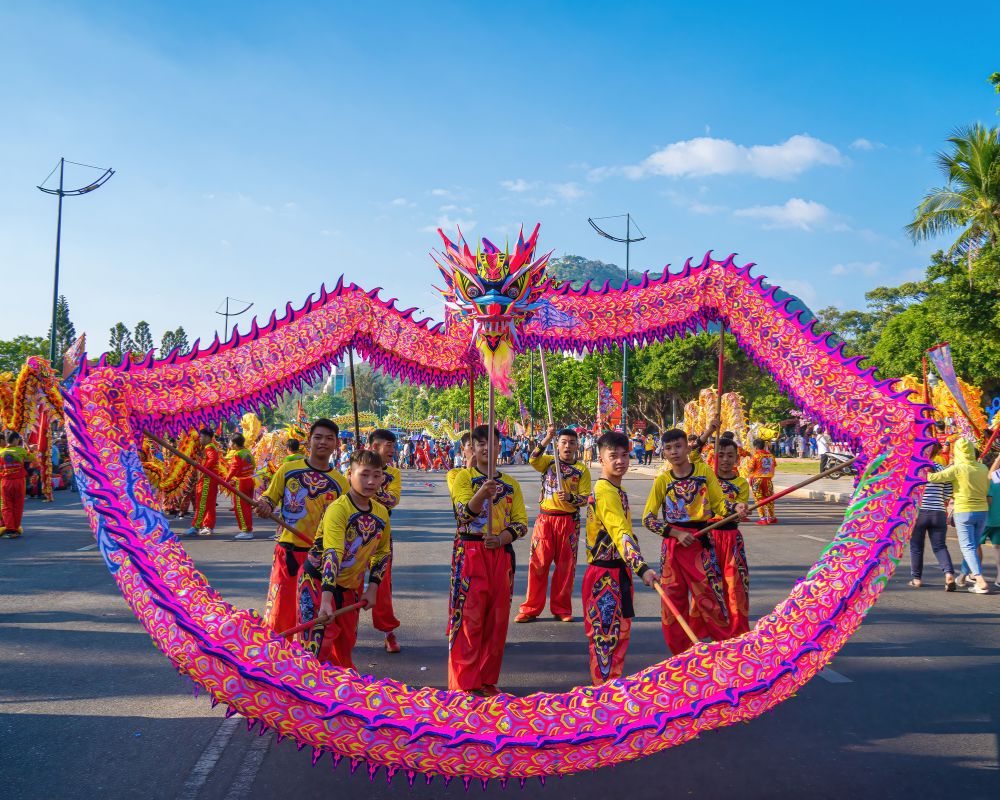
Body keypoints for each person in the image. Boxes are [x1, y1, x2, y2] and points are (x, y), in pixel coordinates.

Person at [642, 428, 746, 655]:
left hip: (701, 543)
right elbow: (647, 520)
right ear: (664, 453)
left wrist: (735, 508)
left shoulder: (704, 471)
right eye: (668, 448)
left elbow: (719, 505)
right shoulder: (663, 481)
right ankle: (680, 654)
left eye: (678, 446)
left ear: (688, 448)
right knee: (672, 602)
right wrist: (675, 534)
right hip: (673, 547)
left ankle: (724, 651)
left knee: (710, 598)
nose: (674, 452)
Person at [448, 425, 527, 695]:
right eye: (480, 443)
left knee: (497, 620)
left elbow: (520, 523)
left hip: (499, 556)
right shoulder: (463, 478)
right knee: (469, 619)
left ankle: (486, 680)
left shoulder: (511, 484)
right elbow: (462, 515)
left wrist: (503, 538)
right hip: (469, 553)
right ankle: (464, 683)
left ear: (499, 446)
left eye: (491, 443)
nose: (485, 448)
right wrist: (482, 493)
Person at [297, 449, 391, 669]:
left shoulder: (381, 512)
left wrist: (373, 589)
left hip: (350, 587)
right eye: (364, 474)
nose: (371, 481)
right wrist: (326, 601)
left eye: (376, 475)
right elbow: (333, 553)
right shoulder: (338, 509)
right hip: (319, 584)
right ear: (350, 474)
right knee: (316, 650)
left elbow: (382, 552)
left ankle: (340, 697)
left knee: (345, 645)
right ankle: (312, 698)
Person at [256, 419, 348, 635]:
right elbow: (270, 497)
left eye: (329, 438)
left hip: (318, 558)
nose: (323, 442)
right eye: (318, 437)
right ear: (309, 441)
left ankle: (304, 665)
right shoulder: (288, 470)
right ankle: (275, 661)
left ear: (336, 443)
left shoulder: (341, 484)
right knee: (278, 614)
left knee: (310, 618)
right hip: (287, 553)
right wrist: (264, 506)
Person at [583, 431, 658, 684]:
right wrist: (642, 568)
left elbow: (626, 533)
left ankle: (610, 696)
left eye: (624, 455)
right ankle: (603, 701)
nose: (620, 461)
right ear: (600, 458)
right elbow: (620, 532)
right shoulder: (605, 491)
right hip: (604, 576)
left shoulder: (618, 490)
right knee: (605, 641)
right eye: (613, 456)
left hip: (618, 573)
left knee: (618, 637)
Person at [516, 425, 591, 623]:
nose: (567, 446)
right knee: (538, 564)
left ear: (578, 446)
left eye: (572, 443)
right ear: (557, 445)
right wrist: (547, 438)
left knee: (566, 568)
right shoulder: (548, 463)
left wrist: (570, 497)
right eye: (564, 442)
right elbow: (532, 459)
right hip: (545, 520)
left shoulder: (581, 470)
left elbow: (585, 499)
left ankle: (562, 608)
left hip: (569, 523)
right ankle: (530, 608)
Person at [700, 437, 751, 638]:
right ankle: (709, 633)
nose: (725, 460)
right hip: (708, 538)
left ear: (737, 459)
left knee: (735, 587)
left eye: (730, 456)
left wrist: (741, 510)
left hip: (731, 540)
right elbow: (693, 457)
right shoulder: (706, 478)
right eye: (720, 455)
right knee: (708, 587)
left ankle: (737, 633)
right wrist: (709, 431)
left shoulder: (741, 484)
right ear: (714, 456)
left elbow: (739, 507)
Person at [926, 438, 990, 594]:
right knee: (973, 546)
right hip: (982, 511)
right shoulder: (983, 468)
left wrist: (922, 467)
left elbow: (933, 478)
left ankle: (979, 579)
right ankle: (962, 576)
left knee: (967, 547)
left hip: (964, 511)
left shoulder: (957, 468)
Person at [366, 428, 403, 653]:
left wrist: (368, 484)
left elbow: (392, 500)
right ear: (373, 446)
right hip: (352, 535)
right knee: (345, 583)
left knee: (382, 584)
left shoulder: (394, 474)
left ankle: (388, 632)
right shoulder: (352, 468)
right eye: (387, 444)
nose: (392, 449)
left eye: (392, 445)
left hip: (381, 534)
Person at [909, 442, 956, 589]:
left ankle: (917, 579)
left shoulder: (914, 469)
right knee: (940, 546)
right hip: (938, 513)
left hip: (919, 513)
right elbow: (948, 492)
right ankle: (948, 574)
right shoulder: (942, 469)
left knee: (916, 547)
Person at [187, 427, 222, 537]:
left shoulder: (209, 448)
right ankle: (208, 526)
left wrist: (203, 470)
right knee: (209, 504)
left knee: (202, 504)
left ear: (207, 437)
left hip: (207, 480)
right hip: (209, 479)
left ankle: (196, 526)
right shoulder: (209, 447)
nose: (200, 439)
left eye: (201, 437)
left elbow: (212, 460)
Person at [0, 432, 33, 538]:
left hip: (6, 482)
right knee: (18, 505)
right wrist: (27, 444)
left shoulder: (2, 452)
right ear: (15, 440)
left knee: (7, 506)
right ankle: (15, 529)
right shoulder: (21, 450)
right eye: (18, 439)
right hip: (19, 482)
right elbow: (33, 459)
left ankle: (10, 529)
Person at [226, 433, 256, 540]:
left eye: (230, 442)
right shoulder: (247, 452)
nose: (229, 444)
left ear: (234, 444)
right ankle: (248, 529)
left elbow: (233, 469)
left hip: (241, 483)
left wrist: (226, 480)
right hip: (250, 480)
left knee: (240, 507)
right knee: (247, 506)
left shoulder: (237, 454)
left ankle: (246, 530)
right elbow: (254, 465)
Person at [747, 439, 777, 525]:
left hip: (757, 480)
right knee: (769, 498)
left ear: (755, 446)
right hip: (768, 480)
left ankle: (763, 518)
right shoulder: (771, 456)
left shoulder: (756, 456)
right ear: (764, 446)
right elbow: (774, 466)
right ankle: (771, 517)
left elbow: (750, 468)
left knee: (758, 499)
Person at [983, 452, 1000, 588]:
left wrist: (997, 458)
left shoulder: (991, 478)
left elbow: (990, 475)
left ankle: (970, 574)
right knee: (997, 548)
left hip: (986, 519)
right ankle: (999, 577)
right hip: (999, 519)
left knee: (973, 546)